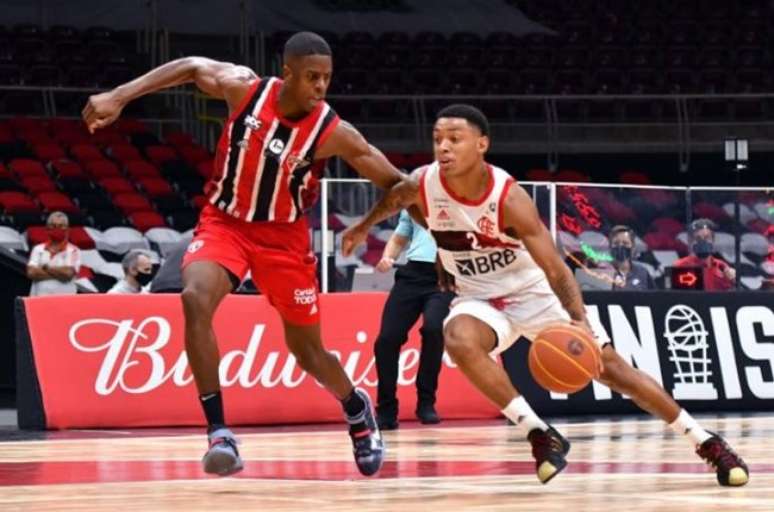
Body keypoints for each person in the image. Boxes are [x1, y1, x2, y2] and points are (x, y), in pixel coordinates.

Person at [342, 104, 749, 487]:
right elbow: (398, 195)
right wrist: (363, 226)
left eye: (454, 138)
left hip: (532, 291)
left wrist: (581, 321)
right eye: (437, 139)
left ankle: (704, 440)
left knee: (613, 371)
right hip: (480, 299)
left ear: (482, 144)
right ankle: (539, 433)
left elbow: (555, 268)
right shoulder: (425, 182)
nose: (443, 147)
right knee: (459, 338)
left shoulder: (508, 197)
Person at [83, 32, 405, 477]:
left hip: (284, 239)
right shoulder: (245, 89)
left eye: (327, 78)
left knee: (308, 352)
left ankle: (356, 409)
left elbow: (397, 182)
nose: (320, 87)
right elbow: (192, 65)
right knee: (195, 298)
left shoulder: (332, 132)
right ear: (287, 73)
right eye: (312, 77)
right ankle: (219, 433)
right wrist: (120, 95)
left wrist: (378, 224)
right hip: (225, 224)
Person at [373, 209, 454, 430]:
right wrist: (389, 256)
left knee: (433, 328)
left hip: (445, 275)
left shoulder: (460, 200)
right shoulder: (416, 199)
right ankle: (386, 409)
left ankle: (426, 402)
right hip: (413, 274)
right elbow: (400, 236)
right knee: (387, 340)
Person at [26, 211, 81, 296]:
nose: (57, 228)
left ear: (67, 229)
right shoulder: (38, 249)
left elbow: (68, 274)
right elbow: (31, 273)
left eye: (61, 226)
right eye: (53, 225)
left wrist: (45, 268)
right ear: (47, 228)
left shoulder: (74, 251)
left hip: (64, 303)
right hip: (38, 302)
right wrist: (59, 274)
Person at [673, 218, 736, 290]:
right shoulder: (681, 265)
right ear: (690, 241)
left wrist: (733, 281)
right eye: (698, 238)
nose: (703, 241)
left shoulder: (721, 266)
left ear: (713, 240)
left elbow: (730, 295)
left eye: (707, 237)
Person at [607, 225, 655, 290]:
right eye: (616, 243)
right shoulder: (603, 272)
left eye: (625, 243)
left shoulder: (642, 272)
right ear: (610, 247)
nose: (620, 246)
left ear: (633, 248)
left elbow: (654, 297)